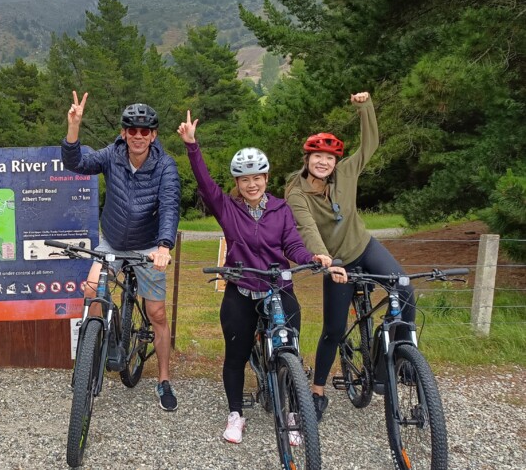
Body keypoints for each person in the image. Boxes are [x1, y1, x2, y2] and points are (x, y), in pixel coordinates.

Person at [178, 111, 344, 443]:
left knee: (290, 352)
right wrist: (192, 146)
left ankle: (294, 409)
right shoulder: (227, 208)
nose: (251, 184)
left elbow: (293, 244)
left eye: (258, 177)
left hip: (278, 286)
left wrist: (312, 257)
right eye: (244, 179)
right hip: (241, 288)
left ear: (266, 178)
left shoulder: (280, 209)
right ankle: (236, 413)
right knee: (236, 355)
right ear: (237, 184)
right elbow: (205, 184)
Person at [284, 91, 410, 422]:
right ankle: (318, 390)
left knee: (406, 290)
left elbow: (371, 144)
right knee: (334, 329)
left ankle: (396, 362)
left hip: (364, 246)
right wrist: (325, 260)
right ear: (307, 158)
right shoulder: (295, 191)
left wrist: (365, 108)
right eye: (317, 156)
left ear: (335, 162)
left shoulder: (348, 172)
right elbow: (307, 228)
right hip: (336, 260)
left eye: (329, 158)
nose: (323, 162)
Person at [61, 91, 181, 411]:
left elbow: (169, 207)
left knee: (156, 314)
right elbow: (76, 162)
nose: (138, 136)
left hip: (147, 246)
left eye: (145, 131)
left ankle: (164, 379)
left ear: (153, 135)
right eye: (132, 130)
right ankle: (92, 355)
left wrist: (164, 246)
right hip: (112, 241)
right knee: (91, 291)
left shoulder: (165, 166)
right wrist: (74, 126)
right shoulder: (112, 155)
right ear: (123, 133)